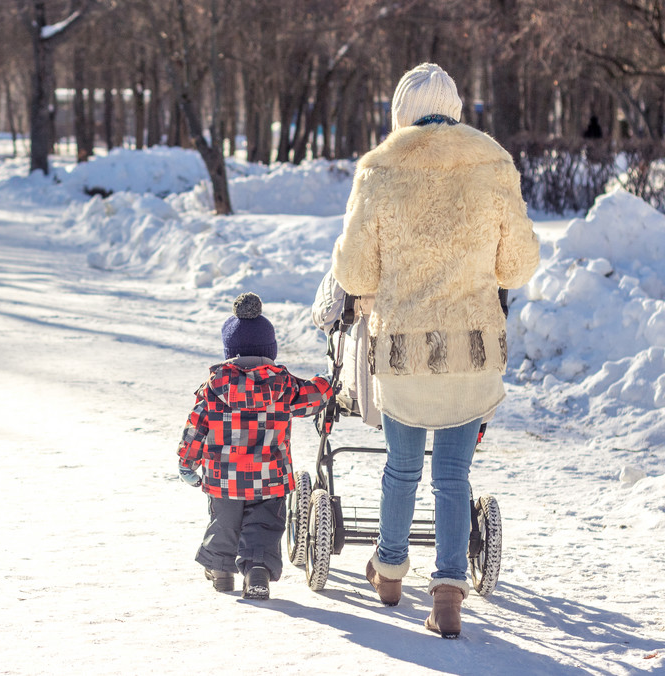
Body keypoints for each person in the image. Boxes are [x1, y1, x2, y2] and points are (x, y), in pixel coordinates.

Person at [328, 63, 540, 637]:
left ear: (401, 111)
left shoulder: (379, 167)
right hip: (472, 351)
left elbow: (352, 271)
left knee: (401, 467)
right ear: (456, 106)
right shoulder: (492, 162)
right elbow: (516, 265)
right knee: (453, 474)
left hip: (404, 353)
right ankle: (448, 591)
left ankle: (389, 570)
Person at [177, 292, 333, 600]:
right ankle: (257, 571)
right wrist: (327, 384)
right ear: (270, 350)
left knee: (223, 523)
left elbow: (195, 428)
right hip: (270, 478)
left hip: (223, 479)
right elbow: (313, 398)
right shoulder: (284, 385)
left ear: (229, 351)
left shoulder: (212, 388)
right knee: (263, 526)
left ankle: (221, 572)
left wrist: (187, 463)